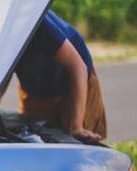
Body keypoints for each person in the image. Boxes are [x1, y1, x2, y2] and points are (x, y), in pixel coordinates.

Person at [15, 10, 107, 141]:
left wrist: (77, 126)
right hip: (36, 87)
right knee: (33, 140)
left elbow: (78, 68)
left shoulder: (34, 22)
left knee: (79, 142)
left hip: (75, 80)